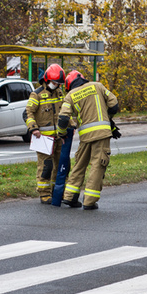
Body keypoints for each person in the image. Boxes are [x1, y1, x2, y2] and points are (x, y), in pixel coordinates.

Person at [56, 70, 120, 210]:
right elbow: (114, 104)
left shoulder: (70, 96)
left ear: (69, 85)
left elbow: (63, 118)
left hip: (85, 137)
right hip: (102, 134)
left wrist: (61, 134)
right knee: (98, 165)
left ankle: (69, 197)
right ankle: (89, 201)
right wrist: (108, 118)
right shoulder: (98, 86)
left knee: (79, 165)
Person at [25, 64, 65, 205]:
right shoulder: (37, 94)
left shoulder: (59, 93)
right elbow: (27, 113)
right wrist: (33, 128)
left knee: (59, 165)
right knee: (46, 166)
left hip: (59, 137)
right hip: (43, 138)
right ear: (47, 80)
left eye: (59, 83)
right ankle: (44, 193)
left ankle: (56, 191)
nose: (57, 85)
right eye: (55, 83)